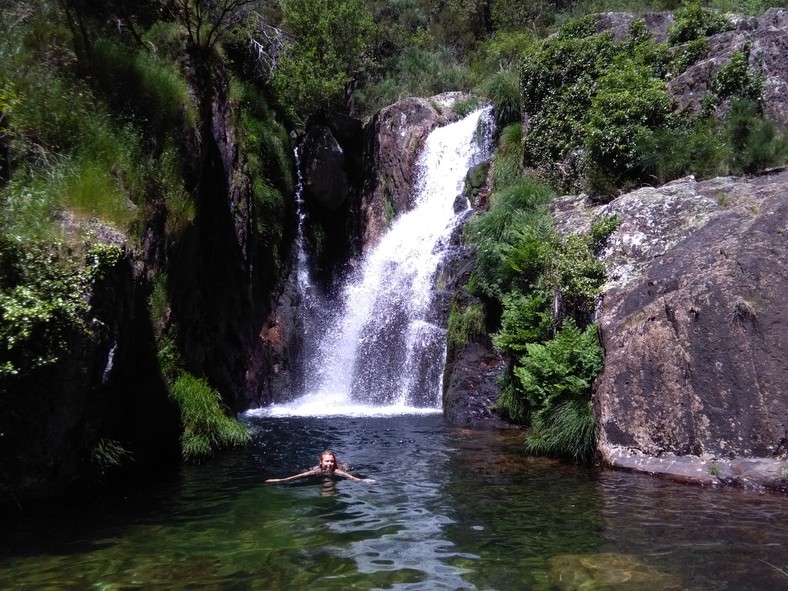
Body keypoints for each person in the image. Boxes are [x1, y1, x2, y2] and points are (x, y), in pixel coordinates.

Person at [265, 450, 376, 483]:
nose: (329, 464)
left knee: (346, 468)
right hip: (320, 472)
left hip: (341, 469)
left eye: (332, 462)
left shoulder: (337, 471)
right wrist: (281, 479)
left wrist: (364, 481)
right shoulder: (317, 470)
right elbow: (301, 475)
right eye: (327, 461)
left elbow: (351, 477)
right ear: (321, 462)